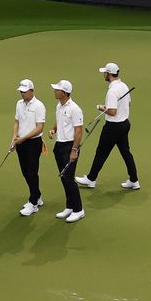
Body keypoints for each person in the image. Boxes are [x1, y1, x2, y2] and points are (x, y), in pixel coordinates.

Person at [77, 62, 139, 192]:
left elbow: (112, 112)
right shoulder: (123, 85)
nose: (103, 74)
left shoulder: (112, 91)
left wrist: (101, 108)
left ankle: (91, 179)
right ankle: (134, 181)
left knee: (101, 152)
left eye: (105, 73)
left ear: (109, 74)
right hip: (124, 125)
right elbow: (129, 103)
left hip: (113, 127)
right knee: (126, 153)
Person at [50, 80, 85, 223]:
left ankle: (79, 210)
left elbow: (78, 131)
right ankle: (69, 206)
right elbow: (59, 121)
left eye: (57, 89)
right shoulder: (59, 105)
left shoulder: (75, 109)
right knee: (64, 177)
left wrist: (74, 150)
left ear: (64, 93)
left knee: (69, 179)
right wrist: (54, 129)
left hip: (70, 147)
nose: (54, 91)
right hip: (59, 145)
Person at [11, 79, 47, 216]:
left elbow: (39, 128)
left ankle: (33, 203)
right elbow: (16, 122)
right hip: (20, 142)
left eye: (25, 92)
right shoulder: (19, 104)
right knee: (25, 172)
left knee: (32, 172)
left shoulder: (39, 106)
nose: (22, 94)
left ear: (32, 91)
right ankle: (37, 196)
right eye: (21, 91)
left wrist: (23, 138)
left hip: (33, 142)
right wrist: (14, 138)